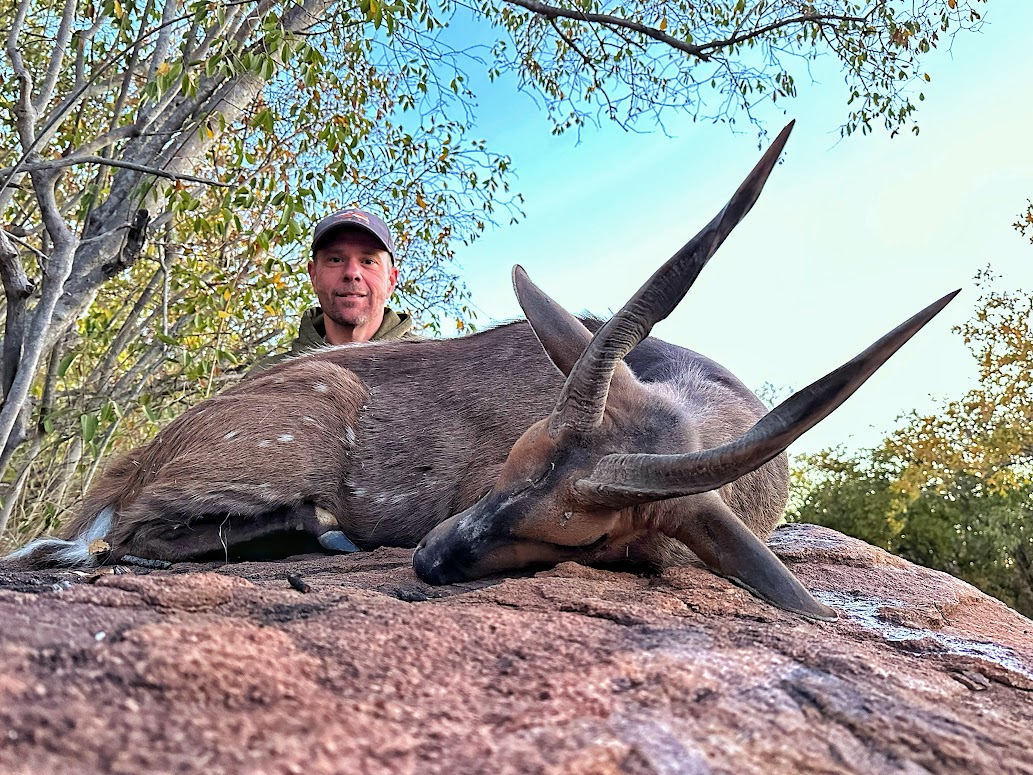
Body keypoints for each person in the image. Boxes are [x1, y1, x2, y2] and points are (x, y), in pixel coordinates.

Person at [250, 207, 416, 374]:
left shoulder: (428, 371)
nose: (352, 273)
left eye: (368, 261)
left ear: (390, 281)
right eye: (336, 260)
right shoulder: (265, 377)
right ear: (313, 276)